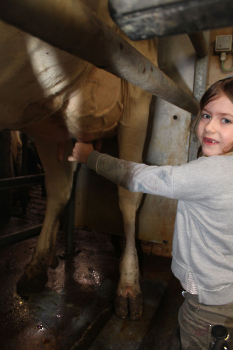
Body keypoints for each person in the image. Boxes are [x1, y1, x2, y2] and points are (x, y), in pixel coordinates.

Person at [68, 76, 233, 350]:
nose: (210, 127)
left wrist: (89, 157)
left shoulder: (212, 172)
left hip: (208, 305)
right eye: (206, 115)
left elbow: (139, 177)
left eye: (226, 120)